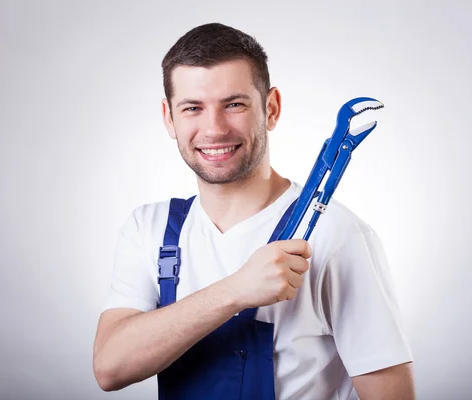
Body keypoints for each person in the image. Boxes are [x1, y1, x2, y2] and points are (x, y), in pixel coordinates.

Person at [93, 22, 415, 400]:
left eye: (234, 104)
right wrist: (235, 291)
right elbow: (109, 369)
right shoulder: (150, 229)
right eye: (192, 108)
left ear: (271, 108)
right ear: (169, 118)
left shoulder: (337, 235)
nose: (213, 129)